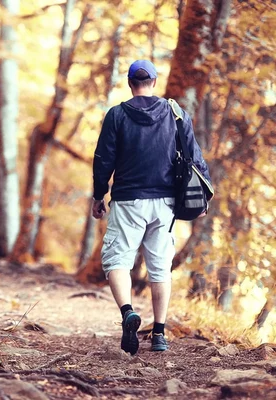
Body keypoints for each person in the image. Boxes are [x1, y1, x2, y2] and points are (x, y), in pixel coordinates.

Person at [91, 59, 211, 355]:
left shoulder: (116, 115)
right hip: (166, 203)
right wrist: (202, 197)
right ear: (154, 82)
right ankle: (159, 333)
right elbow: (194, 156)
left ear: (131, 84)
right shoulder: (176, 113)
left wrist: (98, 194)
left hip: (128, 200)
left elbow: (103, 158)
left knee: (117, 260)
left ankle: (128, 313)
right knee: (160, 268)